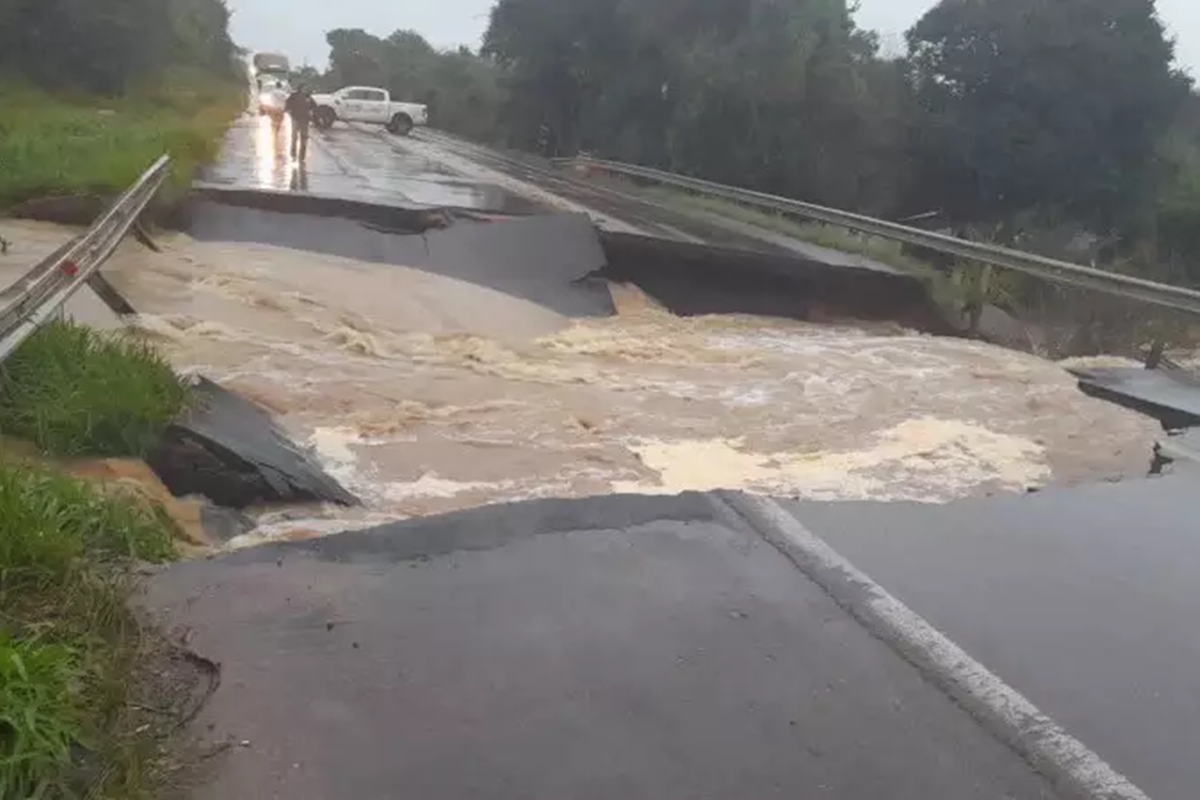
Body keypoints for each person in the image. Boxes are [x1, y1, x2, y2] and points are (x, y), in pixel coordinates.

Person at [284, 85, 316, 162]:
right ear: (300, 89)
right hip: (296, 118)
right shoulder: (294, 95)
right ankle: (293, 153)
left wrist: (311, 114)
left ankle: (302, 156)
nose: (305, 90)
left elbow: (314, 106)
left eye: (306, 89)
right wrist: (289, 112)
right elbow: (287, 104)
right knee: (294, 137)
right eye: (303, 89)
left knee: (303, 138)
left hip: (304, 120)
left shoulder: (308, 97)